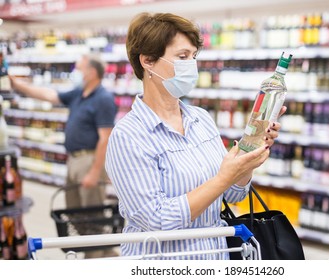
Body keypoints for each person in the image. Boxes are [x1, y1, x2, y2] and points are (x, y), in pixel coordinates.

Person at [104, 12, 286, 260]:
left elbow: (233, 194)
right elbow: (156, 219)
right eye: (182, 57)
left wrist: (249, 155)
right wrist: (223, 178)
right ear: (147, 60)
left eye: (193, 56)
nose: (192, 64)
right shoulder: (128, 136)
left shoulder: (201, 119)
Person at [9, 54, 118, 258]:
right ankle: (106, 253)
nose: (76, 72)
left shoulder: (103, 99)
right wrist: (18, 85)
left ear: (92, 72)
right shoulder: (79, 93)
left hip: (90, 160)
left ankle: (96, 260)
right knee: (74, 212)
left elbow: (106, 138)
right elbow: (49, 95)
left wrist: (95, 172)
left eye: (79, 68)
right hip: (74, 160)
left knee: (92, 214)